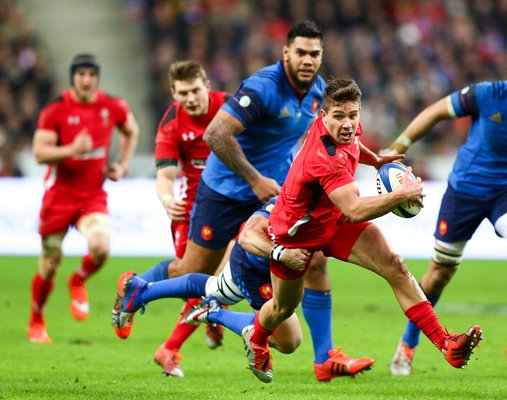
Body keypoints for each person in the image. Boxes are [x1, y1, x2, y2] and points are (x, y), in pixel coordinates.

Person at [112, 21, 368, 376]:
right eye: (301, 52)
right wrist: (254, 179)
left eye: (315, 53)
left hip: (278, 193)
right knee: (194, 271)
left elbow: (331, 139)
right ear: (286, 54)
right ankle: (139, 289)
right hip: (225, 191)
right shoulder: (264, 87)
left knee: (314, 259)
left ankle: (324, 358)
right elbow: (216, 134)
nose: (308, 60)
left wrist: (373, 158)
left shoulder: (321, 94)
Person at [240, 78, 482, 383]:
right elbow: (353, 209)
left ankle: (446, 345)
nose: (347, 124)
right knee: (283, 307)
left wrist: (376, 159)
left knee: (394, 265)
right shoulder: (323, 159)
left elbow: (354, 146)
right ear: (322, 117)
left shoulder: (349, 130)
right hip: (294, 234)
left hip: (332, 220)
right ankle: (258, 338)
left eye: (353, 115)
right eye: (339, 117)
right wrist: (400, 195)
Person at [383, 48, 507, 376]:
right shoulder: (489, 94)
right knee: (437, 276)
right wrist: (398, 147)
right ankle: (407, 344)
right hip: (463, 194)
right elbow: (436, 112)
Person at [113, 197, 374, 382]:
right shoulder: (298, 192)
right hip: (255, 266)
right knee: (288, 340)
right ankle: (212, 314)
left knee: (216, 288)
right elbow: (250, 234)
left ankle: (141, 291)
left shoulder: (327, 186)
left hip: (262, 262)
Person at [28, 53, 139, 343]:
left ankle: (77, 280)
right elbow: (40, 153)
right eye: (81, 75)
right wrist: (70, 149)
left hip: (92, 195)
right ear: (73, 78)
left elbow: (132, 130)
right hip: (59, 194)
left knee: (101, 248)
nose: (87, 80)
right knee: (49, 262)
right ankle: (36, 320)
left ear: (97, 77)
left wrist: (122, 164)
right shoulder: (56, 109)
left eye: (91, 74)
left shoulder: (111, 105)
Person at [147, 60, 229, 376]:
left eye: (196, 90)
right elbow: (165, 175)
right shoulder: (171, 122)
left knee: (215, 282)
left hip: (234, 207)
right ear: (173, 93)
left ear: (207, 85)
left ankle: (168, 348)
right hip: (192, 211)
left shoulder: (229, 108)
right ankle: (136, 286)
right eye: (183, 93)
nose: (191, 98)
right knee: (194, 283)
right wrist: (167, 199)